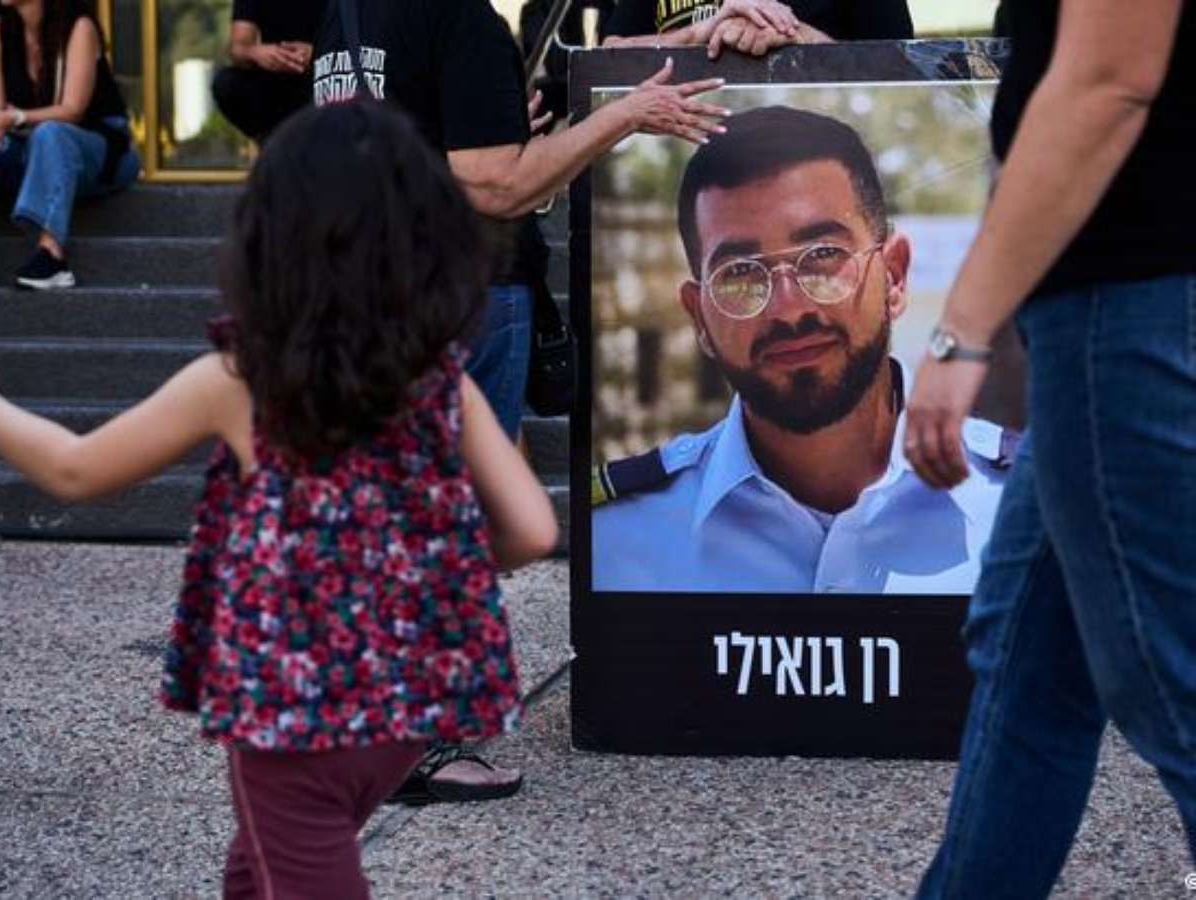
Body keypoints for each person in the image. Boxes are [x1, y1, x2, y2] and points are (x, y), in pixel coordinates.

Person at [0, 100, 559, 898]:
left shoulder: (243, 381)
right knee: (256, 869)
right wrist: (420, 569)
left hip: (296, 716)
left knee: (296, 858)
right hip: (408, 711)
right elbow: (532, 530)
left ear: (269, 240)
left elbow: (75, 472)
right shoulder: (439, 380)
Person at [313, 0, 728, 802]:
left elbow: (404, 150)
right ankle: (413, 744)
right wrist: (626, 115)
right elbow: (495, 184)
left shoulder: (349, 15)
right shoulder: (461, 21)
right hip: (458, 294)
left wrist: (530, 139)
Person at [903, 0, 1196, 894]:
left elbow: (1107, 81)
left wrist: (961, 331)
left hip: (1130, 298)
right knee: (1031, 660)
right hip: (1115, 299)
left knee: (1168, 678)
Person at [592, 106, 1010, 594]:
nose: (789, 309)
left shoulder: (1023, 504)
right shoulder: (616, 536)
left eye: (824, 257)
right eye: (740, 273)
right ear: (699, 316)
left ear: (894, 276)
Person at [0, 0, 138, 290]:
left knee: (50, 134)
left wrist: (18, 117)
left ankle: (52, 256)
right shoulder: (3, 29)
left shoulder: (78, 27)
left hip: (100, 151)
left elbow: (72, 110)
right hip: (31, 147)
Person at [603, 0, 913, 58]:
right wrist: (697, 33)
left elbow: (904, 66)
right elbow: (608, 54)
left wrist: (799, 34)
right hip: (677, 137)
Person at [211, 0, 323, 142]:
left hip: (322, 75)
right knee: (226, 82)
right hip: (274, 82)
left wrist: (318, 54)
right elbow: (238, 48)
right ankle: (268, 141)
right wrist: (256, 52)